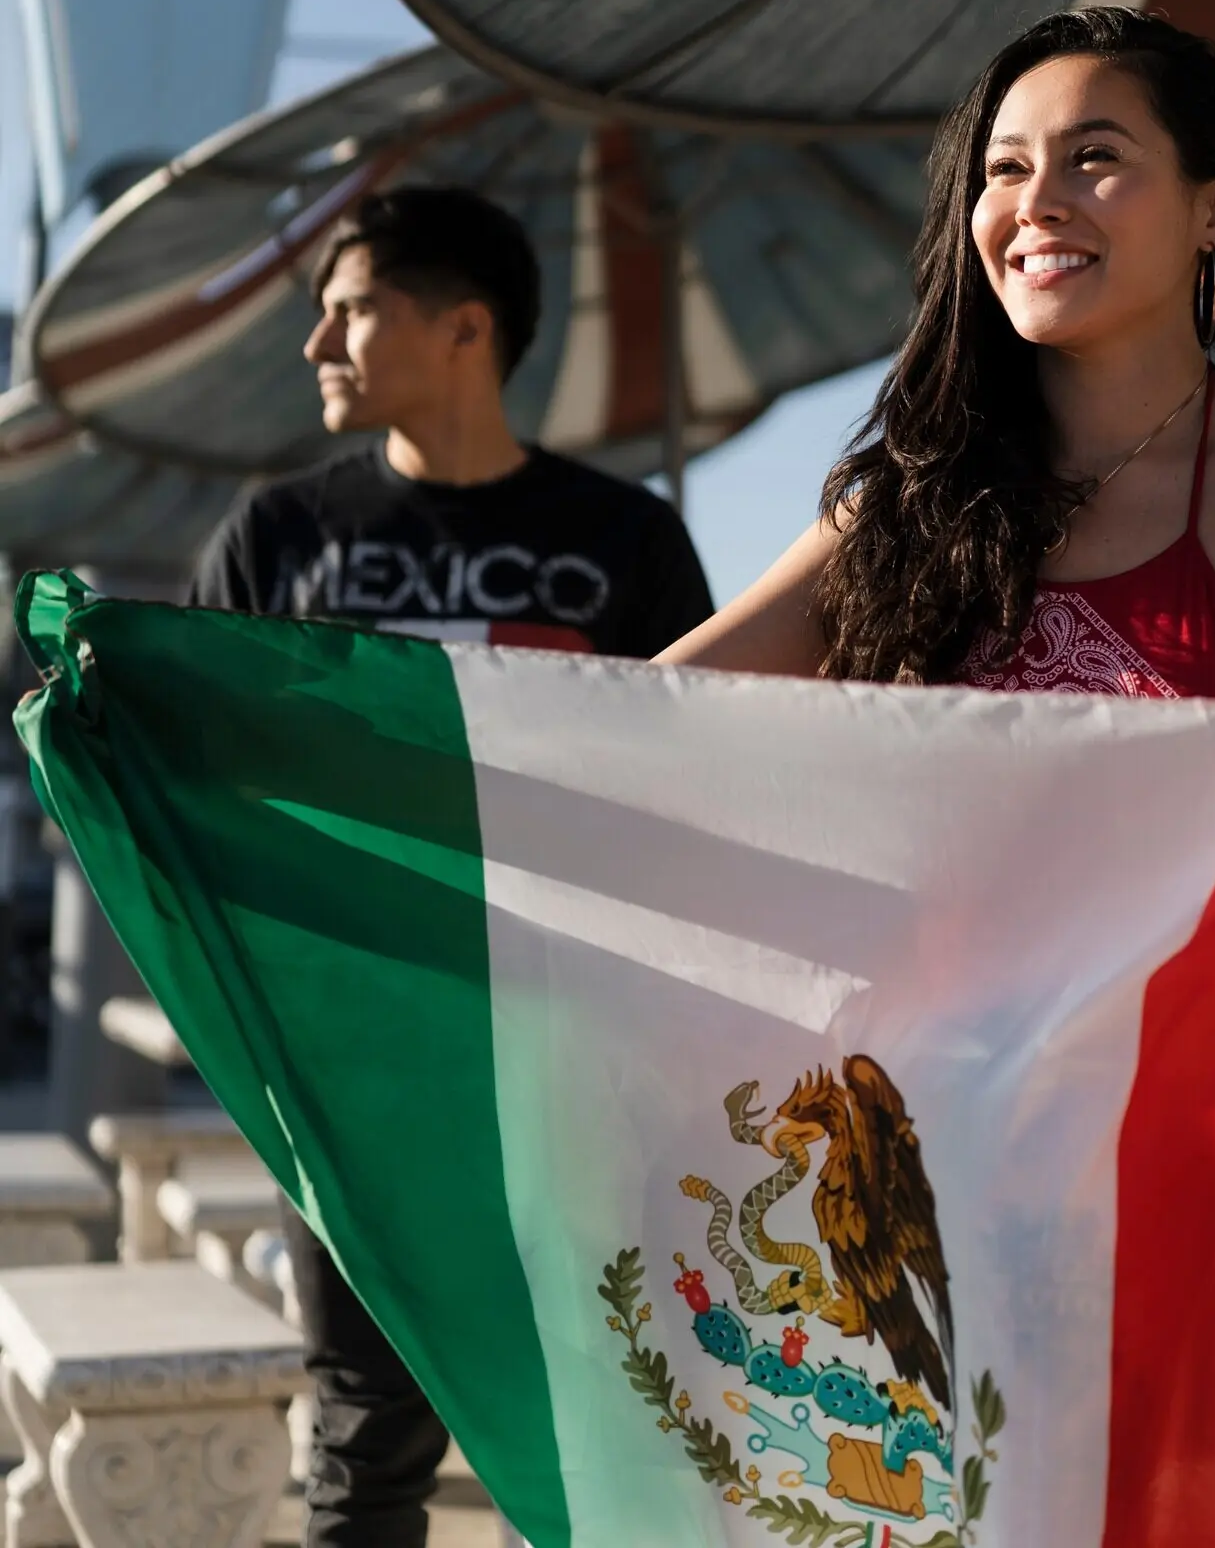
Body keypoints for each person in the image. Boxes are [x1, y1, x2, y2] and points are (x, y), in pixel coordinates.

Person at [191, 182, 713, 1548]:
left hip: (578, 1061)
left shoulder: (626, 543)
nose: (316, 343)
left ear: (464, 329)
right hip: (357, 1066)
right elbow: (186, 764)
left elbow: (710, 776)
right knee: (362, 1446)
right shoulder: (275, 542)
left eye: (350, 309)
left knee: (620, 1424)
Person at [658, 5, 1215, 696]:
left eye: (1094, 156)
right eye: (1006, 167)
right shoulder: (909, 505)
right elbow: (637, 715)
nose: (1035, 202)